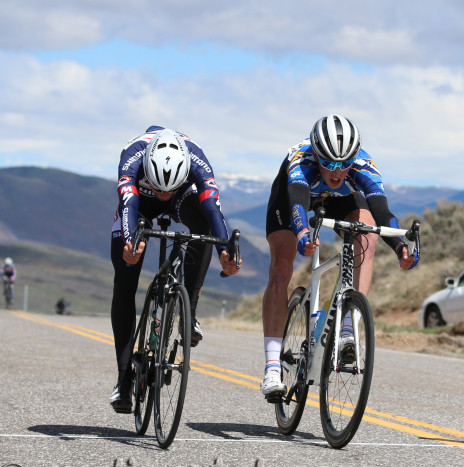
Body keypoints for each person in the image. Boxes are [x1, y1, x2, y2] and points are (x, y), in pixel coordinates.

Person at [260, 114, 419, 397]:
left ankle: (348, 329)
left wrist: (399, 247)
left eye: (344, 164)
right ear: (317, 154)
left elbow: (382, 212)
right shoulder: (302, 160)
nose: (336, 170)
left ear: (354, 159)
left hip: (341, 199)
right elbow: (297, 203)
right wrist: (301, 235)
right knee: (281, 269)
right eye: (329, 163)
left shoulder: (363, 165)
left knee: (367, 234)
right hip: (294, 198)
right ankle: (272, 367)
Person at [110, 126, 241, 413]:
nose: (163, 194)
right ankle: (123, 378)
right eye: (159, 188)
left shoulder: (198, 161)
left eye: (168, 188)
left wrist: (224, 251)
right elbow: (129, 203)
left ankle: (188, 312)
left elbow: (212, 210)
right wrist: (132, 244)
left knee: (204, 227)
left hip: (186, 197)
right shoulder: (132, 159)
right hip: (139, 204)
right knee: (125, 279)